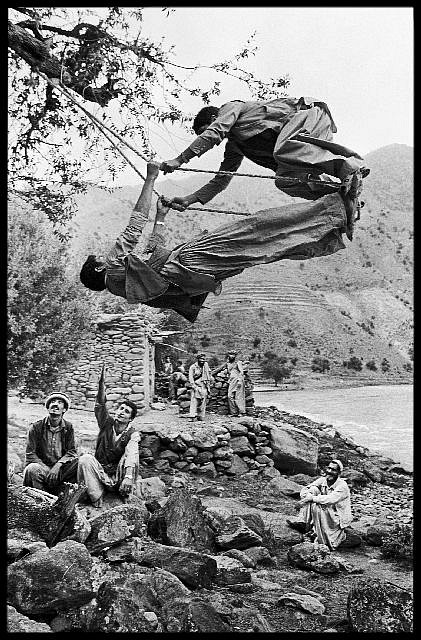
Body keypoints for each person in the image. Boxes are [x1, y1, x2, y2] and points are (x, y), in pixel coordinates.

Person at [80, 162, 362, 324]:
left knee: (264, 249)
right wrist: (151, 177)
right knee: (257, 228)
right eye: (98, 258)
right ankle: (337, 208)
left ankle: (334, 229)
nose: (102, 255)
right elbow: (135, 224)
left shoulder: (123, 285)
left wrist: (161, 216)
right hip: (190, 260)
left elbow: (151, 250)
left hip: (197, 278)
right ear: (99, 268)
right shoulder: (115, 268)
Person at [161, 97, 369, 233]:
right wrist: (189, 200)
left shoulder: (232, 107)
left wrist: (180, 160)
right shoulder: (235, 145)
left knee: (283, 149)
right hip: (296, 146)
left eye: (207, 129)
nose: (211, 136)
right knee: (284, 181)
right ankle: (339, 196)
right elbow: (222, 179)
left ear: (216, 118)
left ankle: (350, 169)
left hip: (308, 117)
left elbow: (215, 132)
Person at [77, 364, 140, 508]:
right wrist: (101, 384)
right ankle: (95, 494)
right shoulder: (106, 422)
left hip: (118, 476)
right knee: (85, 459)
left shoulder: (132, 434)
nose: (121, 412)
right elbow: (100, 404)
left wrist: (128, 476)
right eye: (121, 408)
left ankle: (125, 491)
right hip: (100, 472)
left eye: (126, 411)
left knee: (131, 455)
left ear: (130, 419)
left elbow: (132, 455)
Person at [287, 459, 352, 550]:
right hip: (326, 513)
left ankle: (322, 539)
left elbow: (331, 499)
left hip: (337, 517)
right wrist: (308, 495)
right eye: (329, 468)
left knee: (318, 504)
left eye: (333, 470)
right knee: (313, 490)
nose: (329, 471)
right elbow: (305, 490)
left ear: (339, 473)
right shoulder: (323, 480)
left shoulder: (342, 486)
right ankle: (307, 525)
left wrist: (311, 498)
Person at [23, 392, 79, 494]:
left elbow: (71, 451)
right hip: (43, 468)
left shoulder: (68, 427)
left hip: (61, 470)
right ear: (48, 408)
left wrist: (58, 466)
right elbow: (30, 454)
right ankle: (42, 499)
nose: (55, 404)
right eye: (52, 402)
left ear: (64, 409)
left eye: (60, 402)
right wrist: (46, 469)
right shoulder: (36, 427)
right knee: (32, 469)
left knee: (81, 462)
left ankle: (70, 496)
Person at [212, 352, 248, 416]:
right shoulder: (228, 364)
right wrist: (210, 374)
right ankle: (234, 412)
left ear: (235, 356)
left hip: (238, 380)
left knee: (239, 396)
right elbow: (219, 369)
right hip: (231, 381)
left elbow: (241, 372)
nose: (232, 356)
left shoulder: (238, 363)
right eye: (230, 355)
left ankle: (241, 412)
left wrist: (239, 380)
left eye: (233, 355)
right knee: (230, 396)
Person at [188, 353, 213, 421]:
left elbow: (209, 374)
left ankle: (201, 415)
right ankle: (192, 416)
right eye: (201, 359)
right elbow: (191, 378)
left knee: (203, 402)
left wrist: (209, 382)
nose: (202, 360)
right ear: (198, 359)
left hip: (204, 386)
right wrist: (194, 386)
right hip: (197, 386)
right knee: (194, 401)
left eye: (204, 359)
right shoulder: (193, 367)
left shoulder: (206, 366)